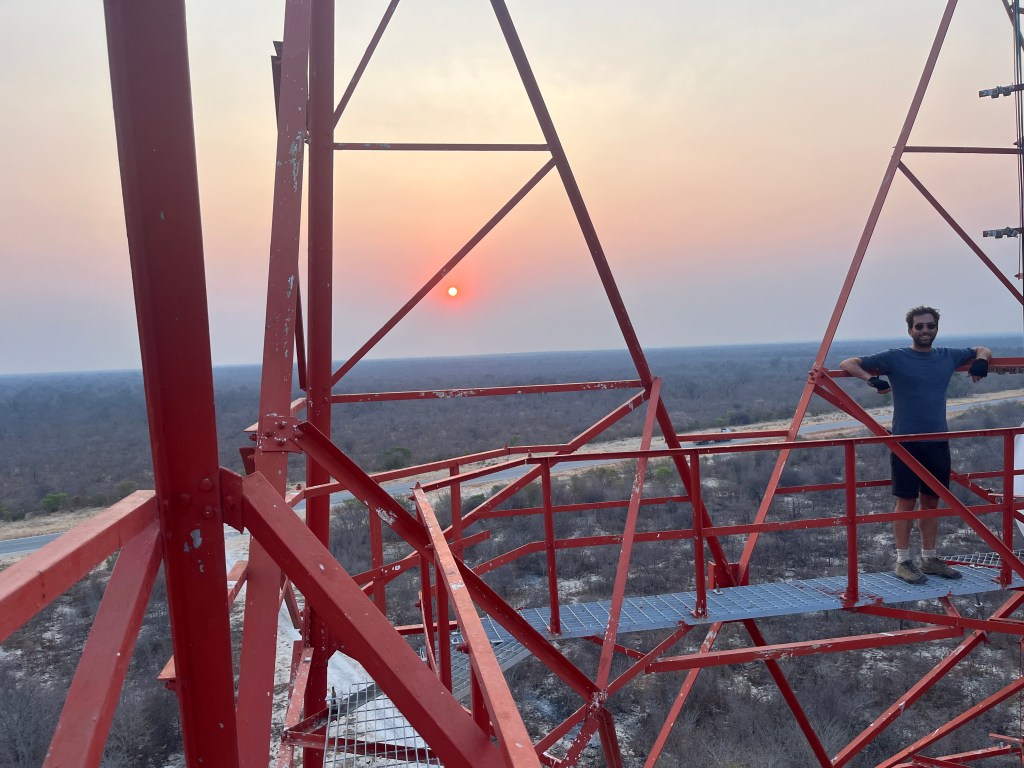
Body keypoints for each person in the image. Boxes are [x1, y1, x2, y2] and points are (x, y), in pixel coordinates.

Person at [839, 306, 992, 584]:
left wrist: (981, 361)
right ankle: (903, 561)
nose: (925, 331)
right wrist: (871, 379)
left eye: (930, 326)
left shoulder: (948, 355)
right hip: (905, 441)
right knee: (906, 500)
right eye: (919, 326)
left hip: (937, 439)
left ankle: (930, 558)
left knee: (931, 501)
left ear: (936, 329)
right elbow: (848, 363)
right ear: (910, 330)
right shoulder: (896, 357)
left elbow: (982, 348)